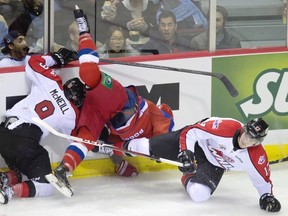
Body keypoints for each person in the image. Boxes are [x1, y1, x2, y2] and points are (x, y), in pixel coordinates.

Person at [45, 5, 174, 197]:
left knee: (85, 137)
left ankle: (63, 170)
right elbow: (163, 136)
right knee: (89, 74)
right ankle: (84, 31)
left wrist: (124, 165)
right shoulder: (161, 115)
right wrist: (161, 151)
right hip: (122, 102)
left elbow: (116, 147)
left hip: (105, 116)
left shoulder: (135, 142)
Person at [114, 117, 281, 212]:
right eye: (247, 134)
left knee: (199, 195)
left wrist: (267, 197)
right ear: (244, 128)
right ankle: (115, 148)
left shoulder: (256, 156)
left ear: (258, 142)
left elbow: (261, 179)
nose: (247, 140)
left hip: (213, 163)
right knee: (144, 148)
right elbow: (191, 132)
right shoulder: (225, 127)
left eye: (253, 139)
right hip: (196, 144)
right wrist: (186, 152)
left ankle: (188, 176)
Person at [0, 48, 80, 204]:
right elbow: (77, 141)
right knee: (47, 186)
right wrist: (102, 145)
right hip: (26, 143)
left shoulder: (51, 82)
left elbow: (32, 61)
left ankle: (5, 179)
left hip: (3, 133)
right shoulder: (71, 114)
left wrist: (57, 58)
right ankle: (9, 191)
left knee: (24, 171)